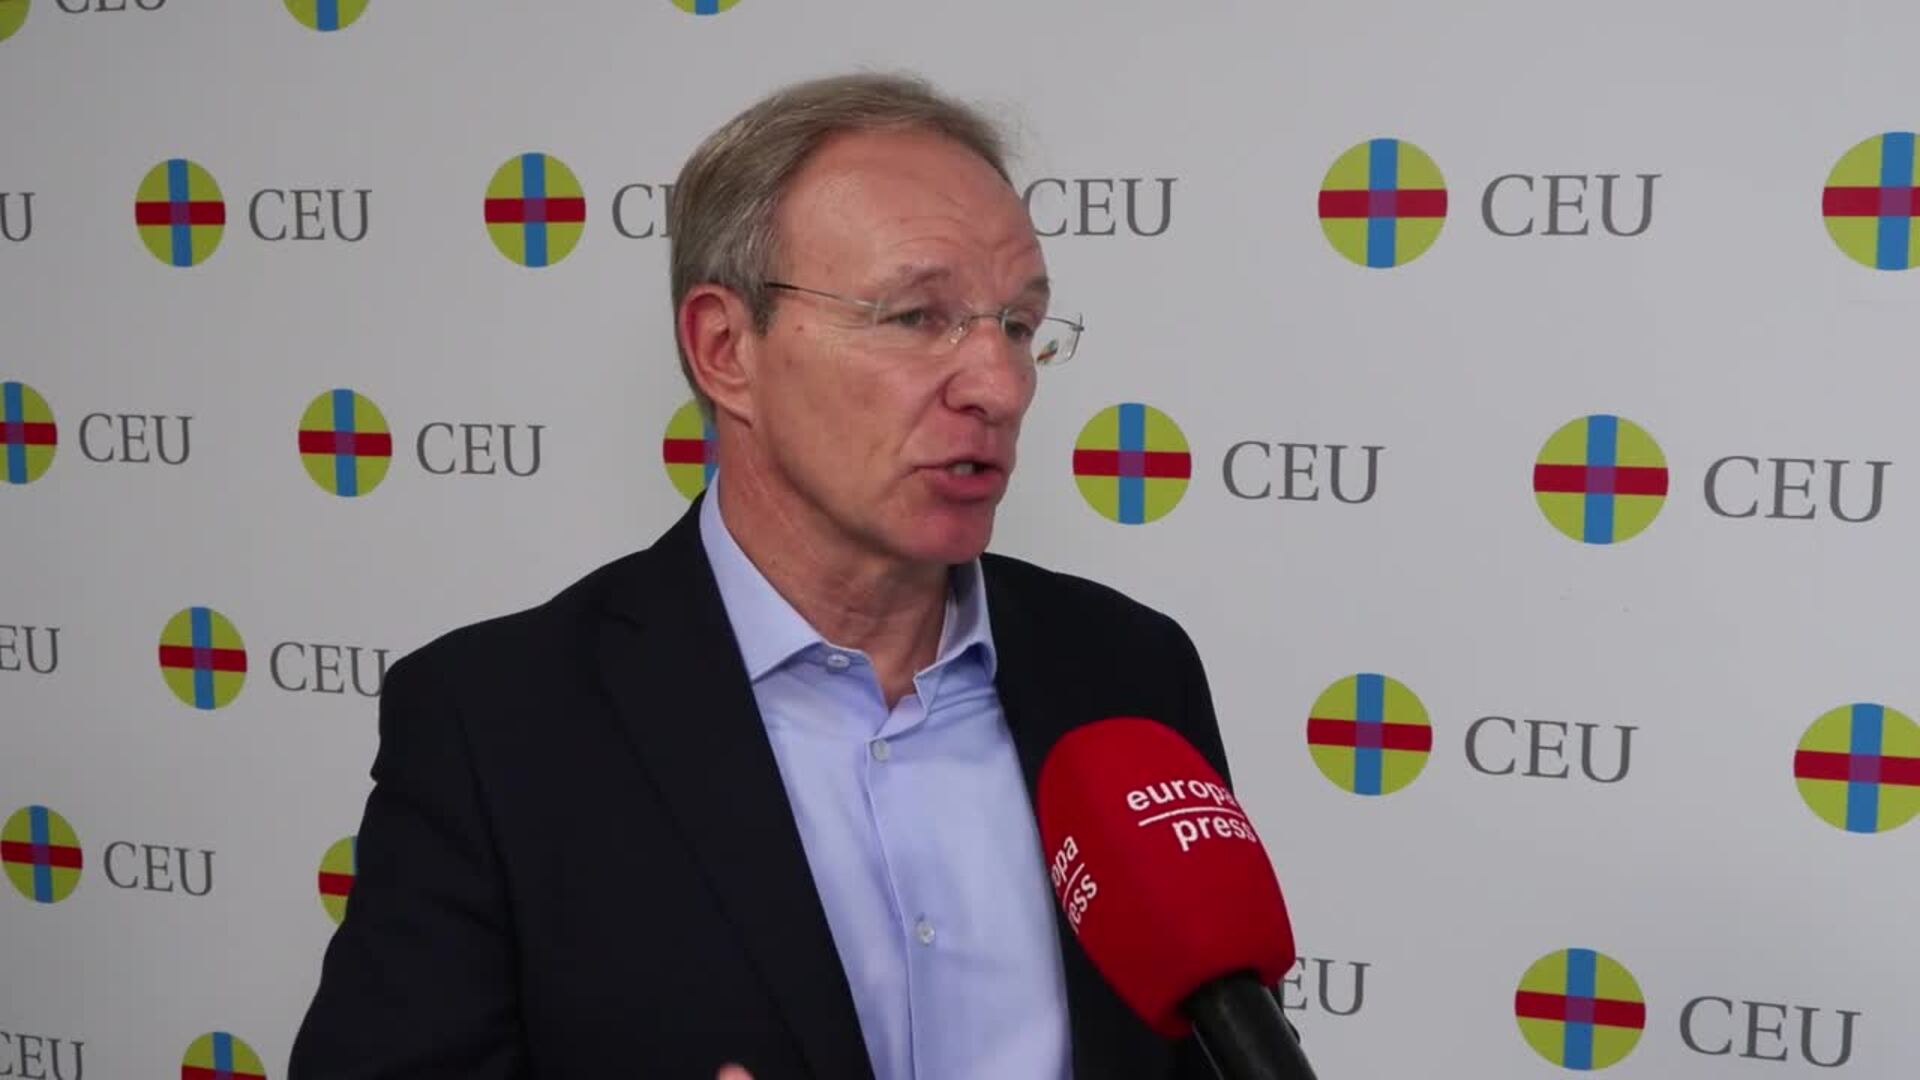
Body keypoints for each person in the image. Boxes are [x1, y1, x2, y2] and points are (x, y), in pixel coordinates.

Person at [289, 72, 1244, 1079]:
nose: (1001, 386)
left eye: (1017, 324)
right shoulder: (495, 726)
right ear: (725, 349)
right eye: (917, 316)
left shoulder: (1130, 672)